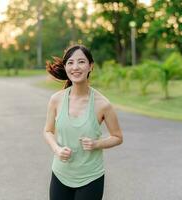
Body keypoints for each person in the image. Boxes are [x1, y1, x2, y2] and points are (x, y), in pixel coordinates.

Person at [44, 44, 123, 200]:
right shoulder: (56, 99)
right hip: (61, 174)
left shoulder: (103, 104)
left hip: (91, 177)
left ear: (90, 66)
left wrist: (96, 144)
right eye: (71, 63)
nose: (76, 67)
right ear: (66, 67)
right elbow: (47, 131)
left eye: (81, 62)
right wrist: (57, 149)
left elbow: (118, 137)